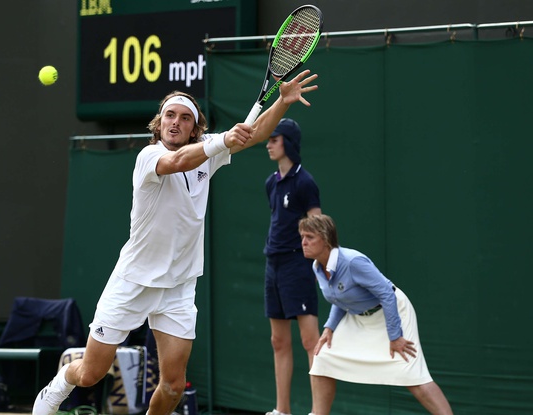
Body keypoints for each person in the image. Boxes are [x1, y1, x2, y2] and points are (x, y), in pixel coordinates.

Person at [32, 69, 319, 415]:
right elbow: (179, 160)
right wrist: (224, 140)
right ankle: (62, 381)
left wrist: (281, 103)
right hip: (133, 281)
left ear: (194, 128)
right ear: (159, 121)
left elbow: (254, 134)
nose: (175, 122)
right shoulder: (149, 157)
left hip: (179, 287)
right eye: (170, 115)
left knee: (172, 387)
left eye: (185, 118)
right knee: (91, 373)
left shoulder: (207, 152)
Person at [298, 214, 453, 415]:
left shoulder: (353, 262)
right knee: (323, 358)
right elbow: (341, 298)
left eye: (309, 237)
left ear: (326, 239)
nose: (303, 242)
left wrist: (395, 336)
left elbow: (386, 294)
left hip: (392, 312)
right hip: (358, 317)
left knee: (412, 375)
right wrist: (329, 327)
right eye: (302, 236)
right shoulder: (317, 267)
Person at [263, 118, 322, 415]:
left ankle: (317, 411)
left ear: (288, 142)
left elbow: (317, 226)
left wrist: (317, 262)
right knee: (278, 340)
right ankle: (281, 410)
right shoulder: (271, 183)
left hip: (297, 266)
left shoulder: (305, 182)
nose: (268, 144)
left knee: (310, 340)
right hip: (272, 264)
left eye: (274, 139)